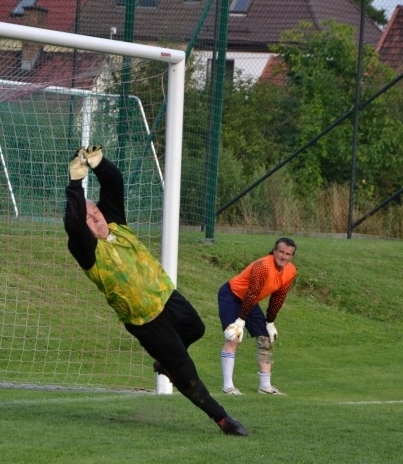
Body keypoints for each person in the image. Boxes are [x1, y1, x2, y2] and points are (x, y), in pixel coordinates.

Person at [64, 145, 248, 436]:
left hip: (167, 296)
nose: (95, 217)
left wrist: (98, 163)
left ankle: (167, 363)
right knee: (185, 370)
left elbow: (114, 183)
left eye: (95, 211)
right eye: (89, 217)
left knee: (197, 329)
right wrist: (74, 184)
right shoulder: (86, 249)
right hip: (145, 321)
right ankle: (223, 419)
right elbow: (73, 222)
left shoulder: (116, 225)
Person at [218, 238, 297, 396]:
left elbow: (278, 297)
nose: (283, 256)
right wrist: (240, 321)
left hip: (249, 301)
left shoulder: (291, 271)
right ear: (273, 251)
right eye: (281, 252)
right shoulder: (263, 266)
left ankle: (265, 387)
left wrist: (270, 322)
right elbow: (252, 292)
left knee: (265, 339)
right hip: (231, 295)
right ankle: (228, 386)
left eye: (288, 254)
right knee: (233, 337)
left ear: (292, 256)